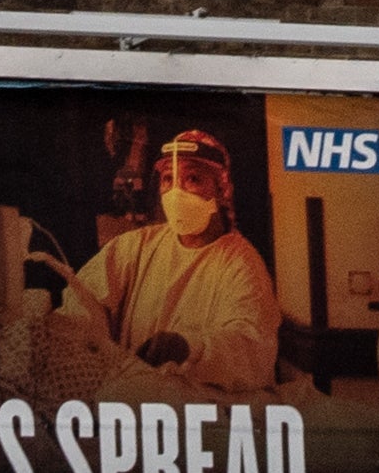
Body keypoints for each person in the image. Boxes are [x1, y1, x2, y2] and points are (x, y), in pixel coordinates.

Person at [62, 129, 279, 390]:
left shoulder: (240, 264)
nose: (176, 192)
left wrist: (187, 348)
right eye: (168, 179)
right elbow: (82, 302)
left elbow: (250, 347)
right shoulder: (135, 247)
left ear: (221, 189)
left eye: (193, 178)